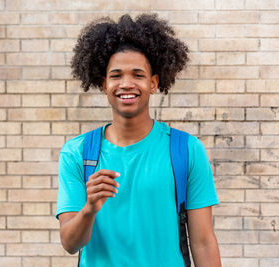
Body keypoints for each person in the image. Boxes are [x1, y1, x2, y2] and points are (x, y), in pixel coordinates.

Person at [56, 14, 221, 267]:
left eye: (138, 74)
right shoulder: (77, 153)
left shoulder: (186, 150)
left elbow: (203, 242)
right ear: (104, 84)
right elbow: (70, 243)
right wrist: (89, 208)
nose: (126, 84)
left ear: (153, 83)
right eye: (116, 75)